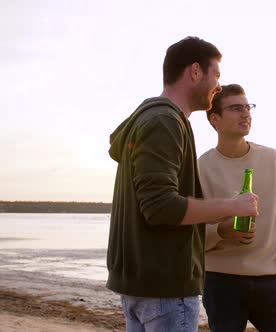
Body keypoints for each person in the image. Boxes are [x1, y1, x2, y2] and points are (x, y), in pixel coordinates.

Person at [106, 37, 259, 332]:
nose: (218, 85)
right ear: (195, 72)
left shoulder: (155, 119)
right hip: (164, 288)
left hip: (143, 286)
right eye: (216, 75)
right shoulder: (164, 121)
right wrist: (232, 206)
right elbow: (160, 206)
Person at [198, 84, 276, 332]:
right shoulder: (200, 167)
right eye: (236, 108)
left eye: (248, 107)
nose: (246, 114)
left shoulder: (274, 159)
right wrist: (220, 231)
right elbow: (190, 229)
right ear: (215, 119)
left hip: (272, 280)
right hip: (220, 280)